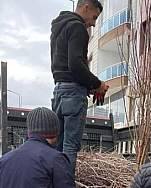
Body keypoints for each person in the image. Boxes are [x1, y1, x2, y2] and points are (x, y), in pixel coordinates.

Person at [50, 0, 109, 172]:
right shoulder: (78, 27)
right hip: (73, 94)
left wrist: (88, 84)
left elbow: (64, 66)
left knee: (57, 145)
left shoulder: (59, 27)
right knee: (70, 147)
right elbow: (75, 65)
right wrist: (97, 84)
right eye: (94, 17)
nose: (93, 22)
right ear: (86, 8)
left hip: (59, 91)